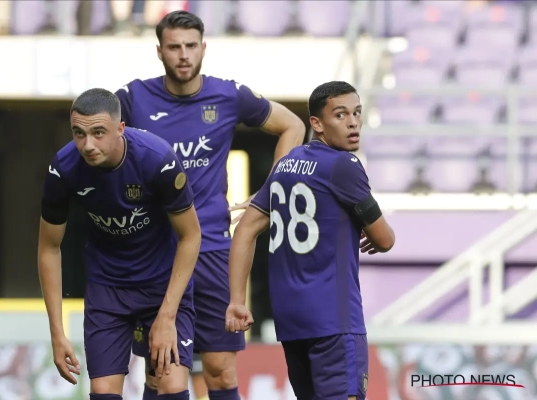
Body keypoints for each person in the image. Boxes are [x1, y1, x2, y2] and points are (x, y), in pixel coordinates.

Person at [114, 10, 306, 400]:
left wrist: (272, 192)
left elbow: (294, 126)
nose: (183, 55)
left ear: (203, 48)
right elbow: (94, 138)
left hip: (213, 250)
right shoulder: (132, 98)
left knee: (220, 371)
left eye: (190, 46)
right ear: (159, 51)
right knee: (163, 374)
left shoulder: (228, 95)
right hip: (157, 254)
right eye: (174, 47)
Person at [225, 81, 396, 400]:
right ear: (316, 123)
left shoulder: (285, 165)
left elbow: (245, 230)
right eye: (340, 115)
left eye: (357, 113)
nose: (353, 122)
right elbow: (385, 239)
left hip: (292, 323)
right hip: (334, 321)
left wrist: (236, 300)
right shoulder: (344, 166)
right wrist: (371, 231)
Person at [37, 88, 201, 400]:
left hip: (162, 283)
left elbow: (191, 235)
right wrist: (57, 333)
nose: (88, 145)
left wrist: (167, 316)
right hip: (107, 287)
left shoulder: (158, 159)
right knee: (103, 392)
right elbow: (48, 247)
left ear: (120, 128)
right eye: (79, 133)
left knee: (170, 384)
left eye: (98, 133)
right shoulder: (63, 169)